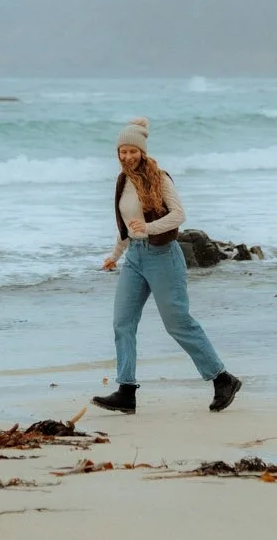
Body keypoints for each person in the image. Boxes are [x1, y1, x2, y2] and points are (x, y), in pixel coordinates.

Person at [92, 117, 243, 415]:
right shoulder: (122, 181)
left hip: (163, 257)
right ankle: (126, 391)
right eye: (123, 151)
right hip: (134, 258)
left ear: (142, 152)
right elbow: (126, 225)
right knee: (122, 323)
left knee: (177, 323)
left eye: (133, 151)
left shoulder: (159, 178)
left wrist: (149, 228)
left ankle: (222, 378)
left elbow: (178, 215)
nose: (127, 156)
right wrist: (115, 254)